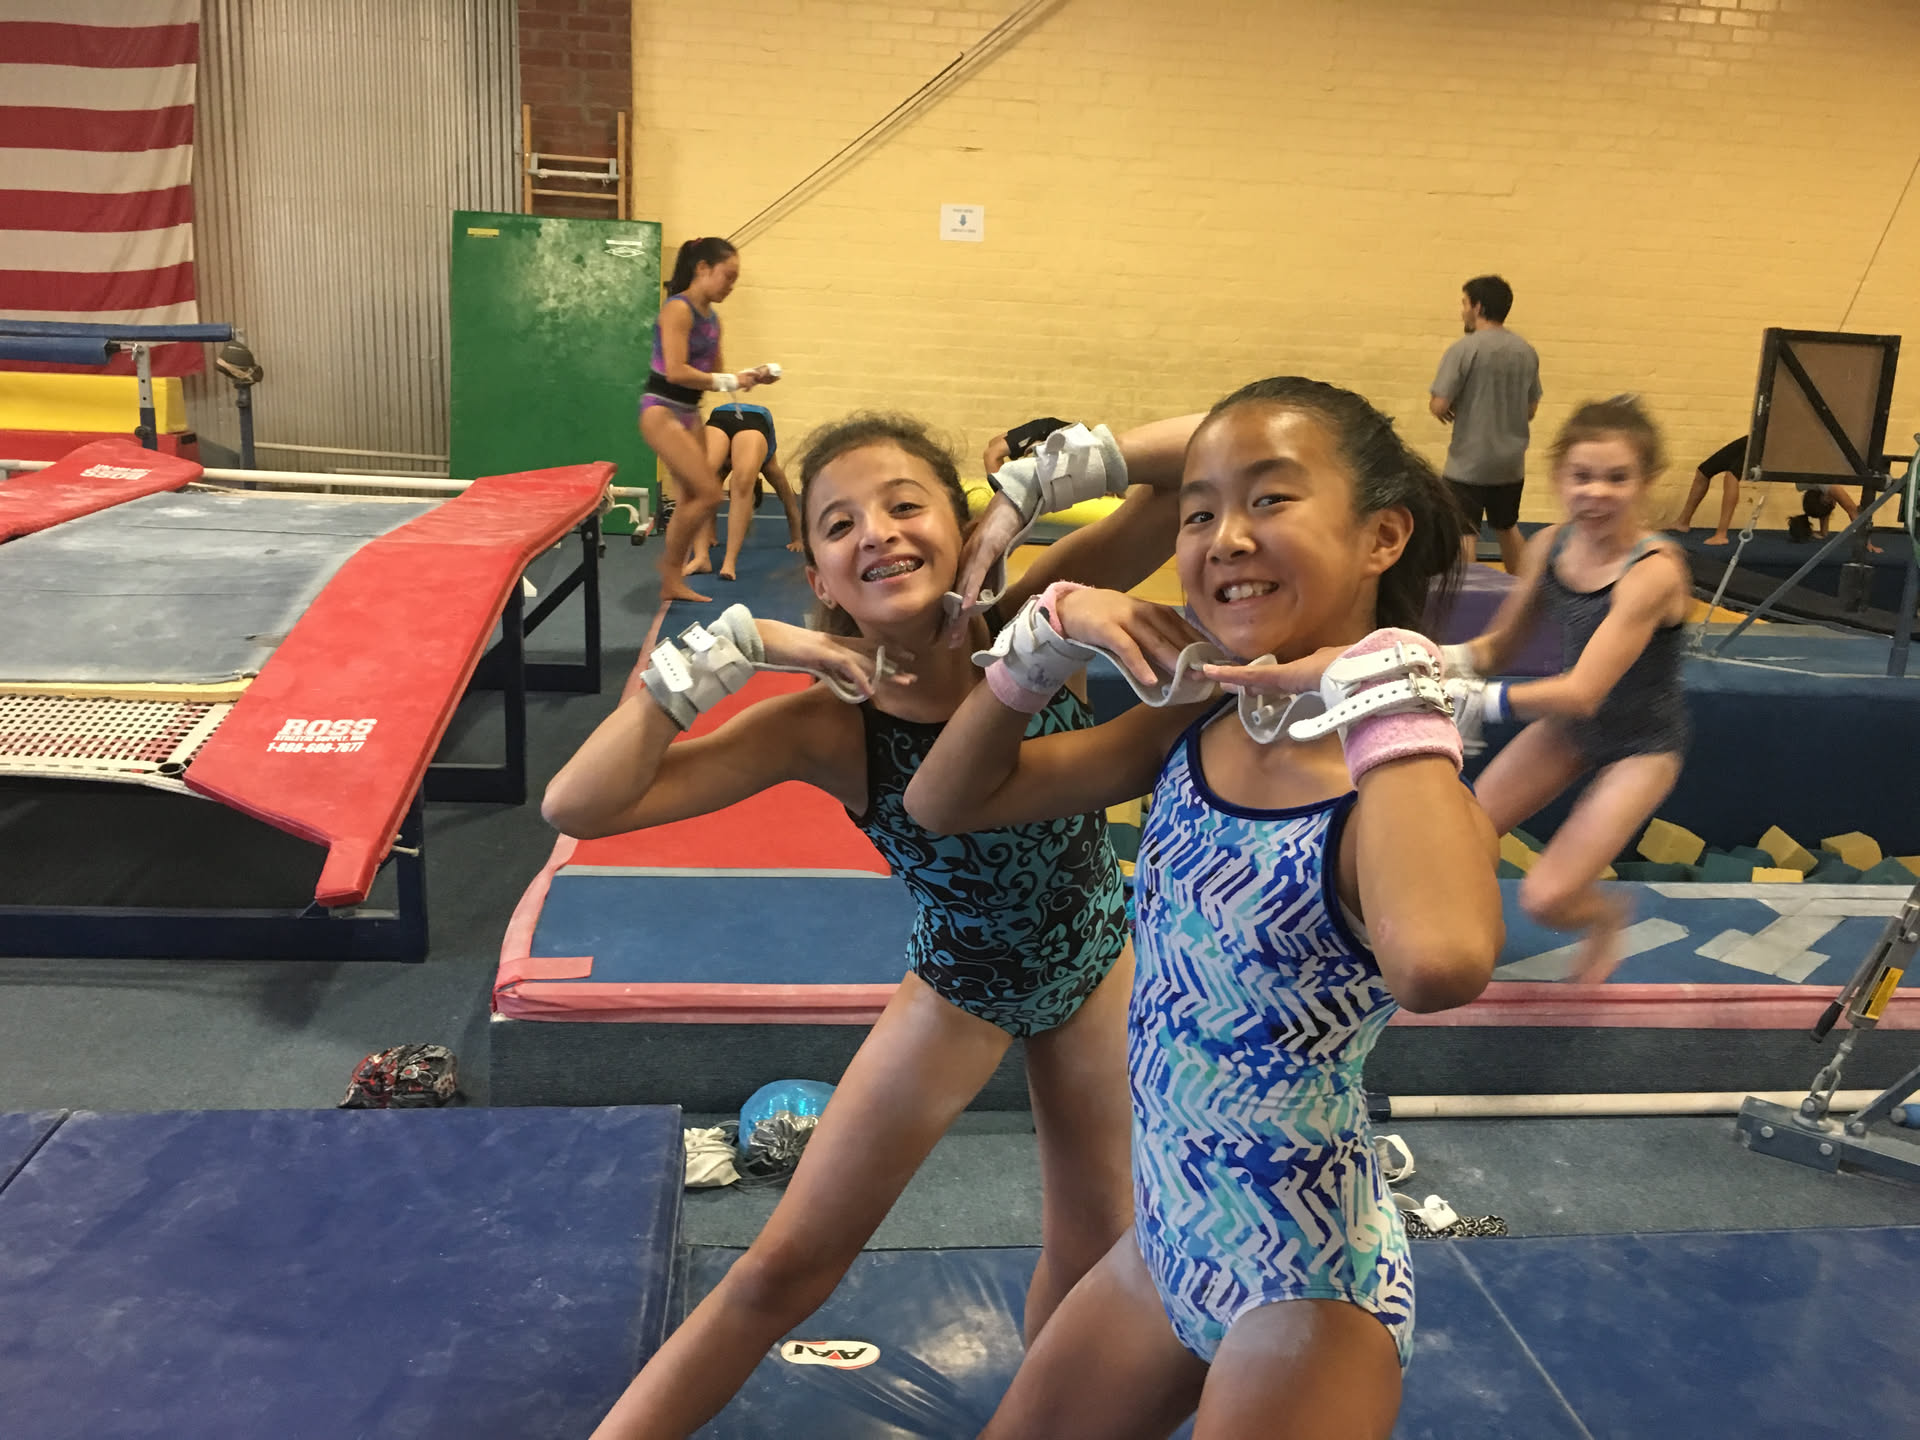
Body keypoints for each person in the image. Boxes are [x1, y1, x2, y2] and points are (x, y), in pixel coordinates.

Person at [555, 410, 1201, 1440]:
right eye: (839, 523)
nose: (879, 533)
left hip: (1094, 957)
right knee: (783, 1270)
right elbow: (580, 807)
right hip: (961, 983)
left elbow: (1206, 454)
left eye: (906, 505)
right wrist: (723, 651)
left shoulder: (1033, 620)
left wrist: (1043, 483)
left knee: (1096, 1256)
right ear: (817, 572)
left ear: (967, 528)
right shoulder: (826, 721)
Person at [906, 376, 1502, 1440]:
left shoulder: (1399, 780)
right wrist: (1043, 637)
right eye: (1198, 513)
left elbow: (1440, 962)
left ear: (1382, 536)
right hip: (1170, 1241)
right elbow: (943, 803)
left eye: (1270, 500)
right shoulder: (1201, 717)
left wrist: (1388, 681)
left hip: (1306, 1288)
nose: (1226, 537)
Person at [1445, 396, 1690, 984]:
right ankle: (1460, 937)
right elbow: (1500, 648)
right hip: (1570, 730)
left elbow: (1583, 692)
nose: (1596, 493)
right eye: (1582, 476)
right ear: (1559, 478)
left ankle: (1606, 916)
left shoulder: (1653, 571)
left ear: (1646, 483)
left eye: (1617, 478)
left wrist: (1477, 699)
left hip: (1641, 745)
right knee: (1459, 838)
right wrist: (1436, 661)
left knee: (1546, 899)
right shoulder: (1549, 546)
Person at [640, 236, 778, 605]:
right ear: (703, 268)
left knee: (691, 496)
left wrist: (751, 376)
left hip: (690, 412)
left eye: (736, 280)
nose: (731, 286)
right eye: (728, 276)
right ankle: (668, 568)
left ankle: (674, 578)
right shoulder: (678, 309)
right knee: (710, 492)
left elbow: (714, 374)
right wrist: (730, 380)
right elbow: (675, 371)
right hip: (661, 409)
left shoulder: (713, 321)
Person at [1430, 274, 1542, 573]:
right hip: (1510, 463)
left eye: (1465, 304)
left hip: (1469, 461)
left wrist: (1446, 408)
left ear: (1478, 307)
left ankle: (1469, 594)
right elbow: (1531, 408)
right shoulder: (1525, 351)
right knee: (1507, 526)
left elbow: (1439, 404)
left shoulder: (1463, 350)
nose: (1462, 311)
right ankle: (1524, 589)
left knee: (1465, 532)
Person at [684, 401, 804, 579]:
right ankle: (703, 558)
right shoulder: (769, 466)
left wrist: (711, 534)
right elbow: (790, 504)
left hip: (724, 416)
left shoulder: (731, 471)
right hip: (752, 418)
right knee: (707, 482)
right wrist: (797, 537)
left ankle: (728, 562)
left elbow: (711, 505)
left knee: (720, 483)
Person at [1668, 434, 1746, 545]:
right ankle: (1682, 522)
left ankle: (1721, 534)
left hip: (1768, 442)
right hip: (1755, 437)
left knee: (1731, 476)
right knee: (1703, 471)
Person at [984, 415, 1076, 476]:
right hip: (1046, 429)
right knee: (993, 448)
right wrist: (1043, 444)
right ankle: (1005, 496)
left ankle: (1005, 499)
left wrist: (1042, 445)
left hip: (1049, 429)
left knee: (992, 454)